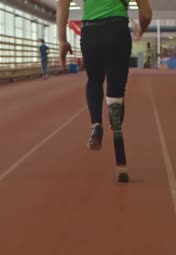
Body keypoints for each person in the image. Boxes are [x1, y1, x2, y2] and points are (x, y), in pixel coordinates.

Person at [57, 0, 152, 150]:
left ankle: (96, 125)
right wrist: (140, 30)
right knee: (116, 86)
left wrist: (62, 40)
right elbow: (146, 15)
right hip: (117, 30)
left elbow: (62, 3)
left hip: (90, 32)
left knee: (94, 80)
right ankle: (115, 120)